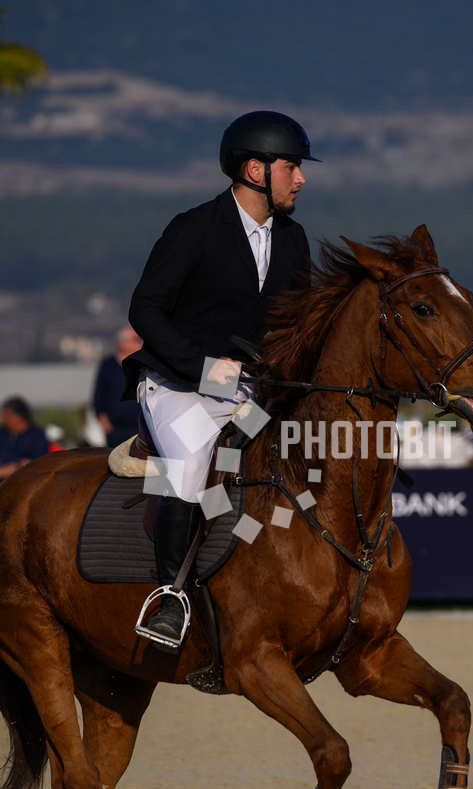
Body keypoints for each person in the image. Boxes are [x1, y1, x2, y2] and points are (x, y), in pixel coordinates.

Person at [122, 110, 319, 647]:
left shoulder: (294, 238)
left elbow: (299, 324)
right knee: (189, 471)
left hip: (250, 392)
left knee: (294, 463)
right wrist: (203, 366)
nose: (301, 178)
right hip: (178, 385)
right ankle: (170, 596)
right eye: (292, 167)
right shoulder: (194, 228)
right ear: (256, 170)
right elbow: (145, 310)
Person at [93, 325, 142, 448]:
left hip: (140, 427)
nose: (140, 343)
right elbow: (99, 393)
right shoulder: (108, 365)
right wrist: (103, 420)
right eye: (135, 340)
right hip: (115, 428)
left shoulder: (144, 364)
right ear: (122, 342)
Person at [0, 396, 48, 479]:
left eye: (7, 416)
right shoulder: (2, 433)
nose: (4, 419)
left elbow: (39, 461)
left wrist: (17, 466)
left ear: (18, 416)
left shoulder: (36, 435)